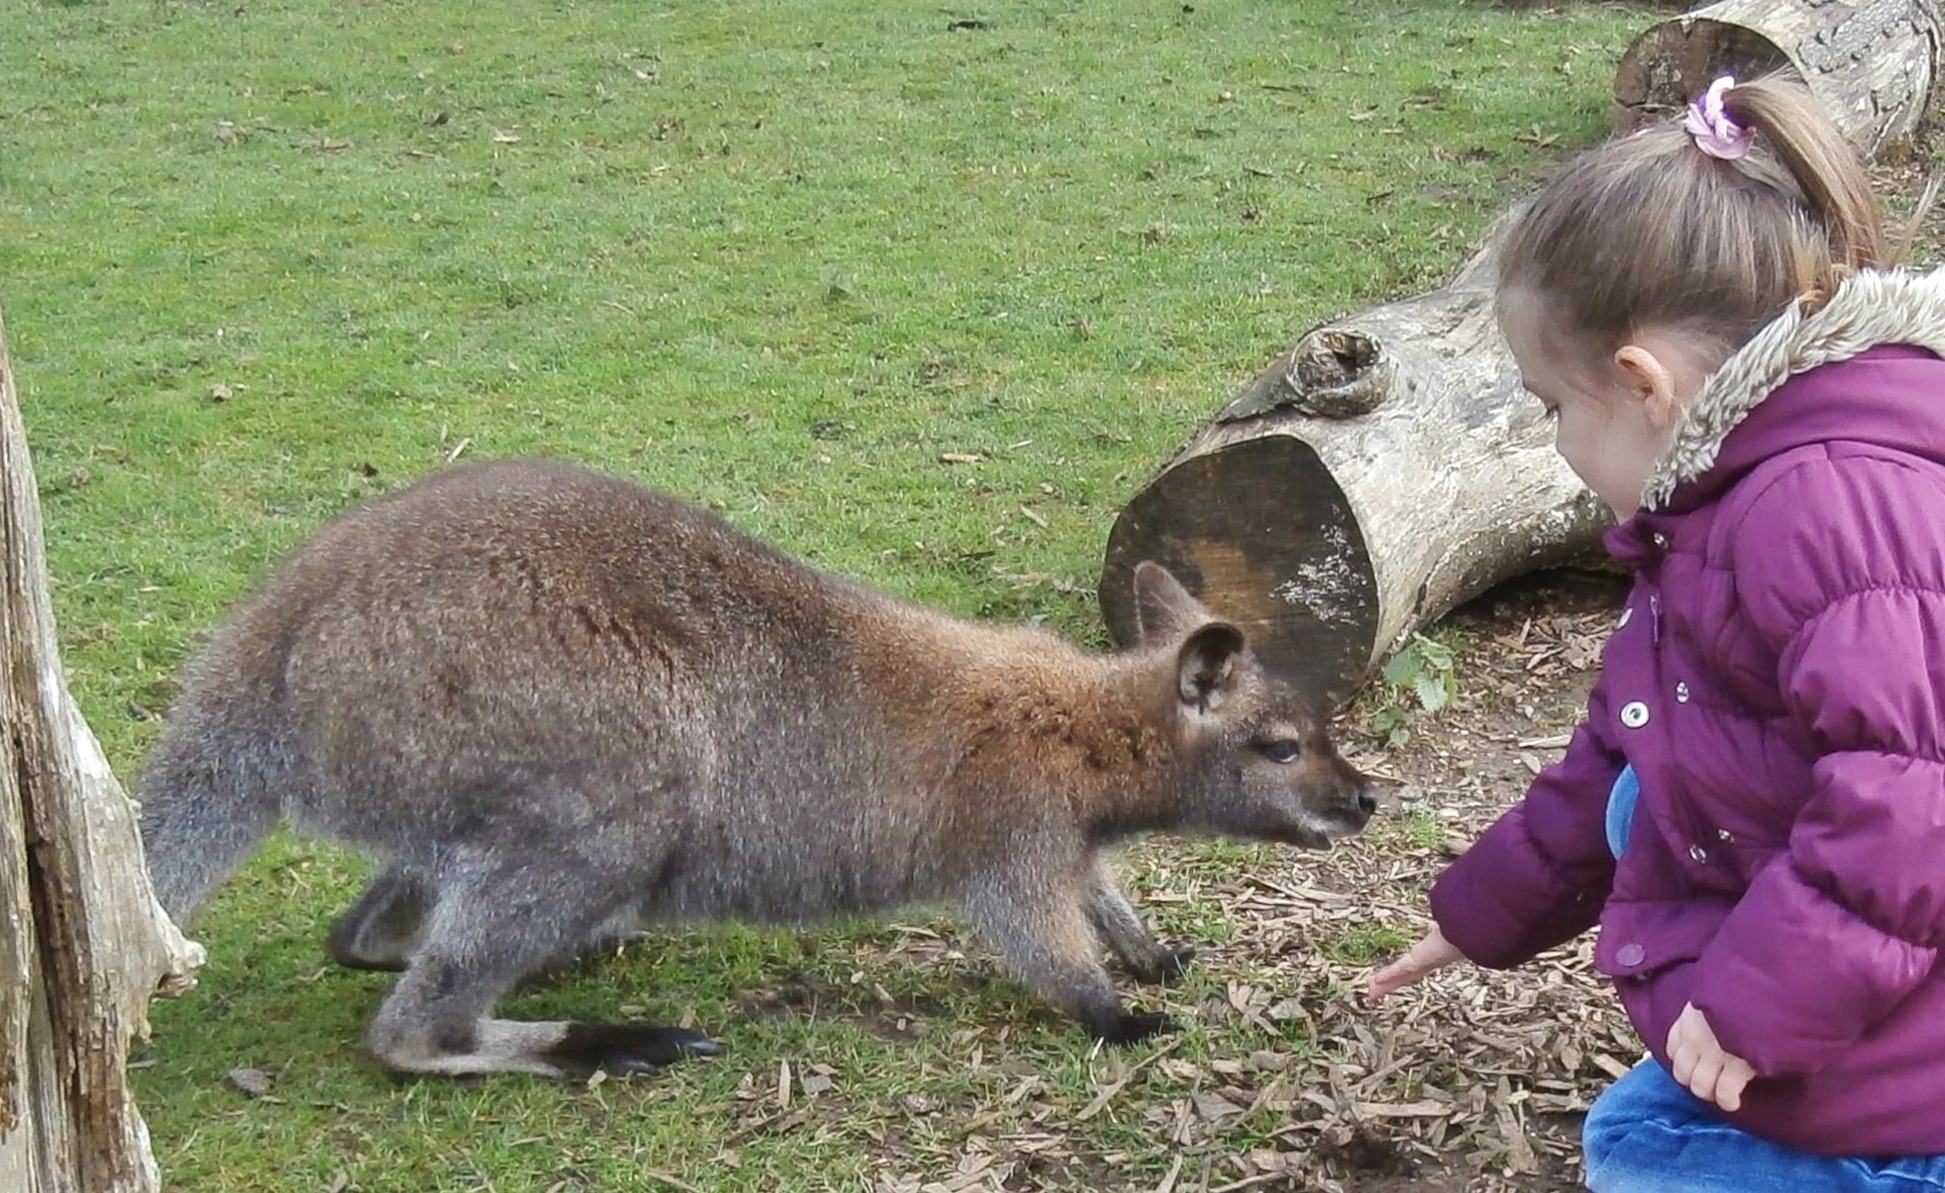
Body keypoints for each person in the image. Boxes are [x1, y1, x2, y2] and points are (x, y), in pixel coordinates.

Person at [1366, 73, 1945, 1192]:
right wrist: (1479, 913)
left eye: (1552, 408)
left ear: (1642, 384)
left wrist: (1761, 1002)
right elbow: (1627, 750)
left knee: (1649, 1161)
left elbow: (1917, 797)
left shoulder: (1819, 509)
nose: (1559, 443)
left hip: (1906, 1057)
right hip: (1864, 972)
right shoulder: (1724, 497)